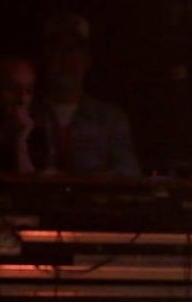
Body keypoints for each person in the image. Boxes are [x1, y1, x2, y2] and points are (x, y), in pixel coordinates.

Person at [34, 10, 141, 177]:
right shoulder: (28, 114)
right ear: (45, 57)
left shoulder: (111, 119)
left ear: (87, 59)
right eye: (57, 49)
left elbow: (129, 173)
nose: (64, 60)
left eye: (72, 50)